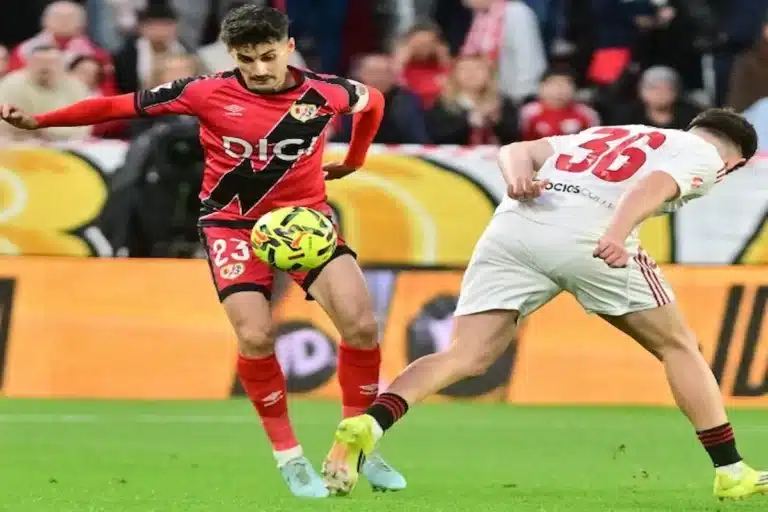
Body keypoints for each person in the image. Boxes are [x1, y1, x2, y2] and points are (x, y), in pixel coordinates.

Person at [0, 5, 406, 499]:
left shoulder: (328, 92)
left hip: (305, 222)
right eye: (246, 58)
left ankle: (358, 446)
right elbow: (118, 106)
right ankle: (289, 458)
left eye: (268, 56)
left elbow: (376, 102)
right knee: (256, 336)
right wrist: (39, 119)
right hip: (231, 226)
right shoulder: (205, 90)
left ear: (289, 48)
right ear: (232, 55)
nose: (258, 69)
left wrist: (355, 160)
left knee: (362, 325)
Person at [321, 108, 768, 500]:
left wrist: (516, 177)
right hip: (589, 235)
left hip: (514, 228)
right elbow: (652, 186)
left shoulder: (614, 132)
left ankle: (371, 424)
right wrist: (616, 233)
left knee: (466, 354)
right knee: (678, 345)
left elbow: (519, 149)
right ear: (736, 162)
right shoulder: (706, 156)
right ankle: (730, 471)